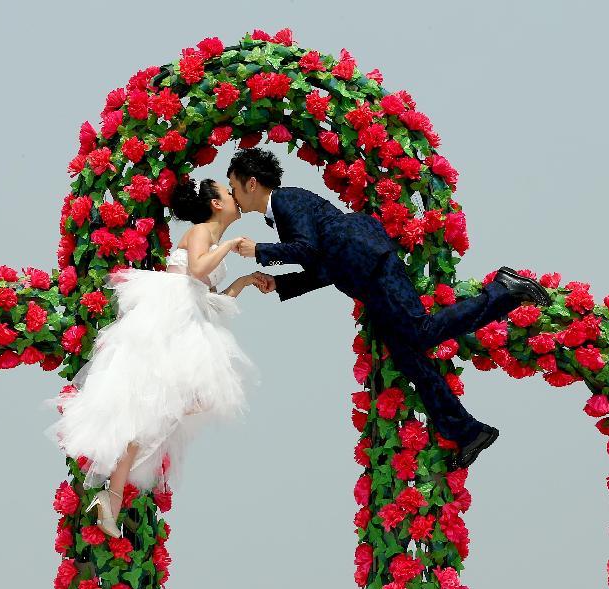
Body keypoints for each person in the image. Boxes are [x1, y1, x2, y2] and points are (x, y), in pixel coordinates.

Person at [226, 148, 552, 472]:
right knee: (409, 357)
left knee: (419, 332)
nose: (233, 195)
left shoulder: (286, 200)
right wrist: (281, 284)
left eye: (233, 187)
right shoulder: (281, 212)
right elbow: (321, 264)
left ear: (251, 183)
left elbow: (307, 250)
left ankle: (504, 291)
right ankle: (468, 432)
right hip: (361, 273)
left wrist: (260, 251)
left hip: (371, 263)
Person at [45, 177, 264, 537]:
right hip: (169, 321)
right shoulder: (201, 232)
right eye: (228, 193)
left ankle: (110, 496)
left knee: (165, 411)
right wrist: (231, 246)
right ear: (216, 204)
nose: (235, 199)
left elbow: (210, 298)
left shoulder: (212, 240)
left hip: (189, 320)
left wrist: (247, 282)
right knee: (166, 405)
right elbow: (195, 271)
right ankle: (111, 494)